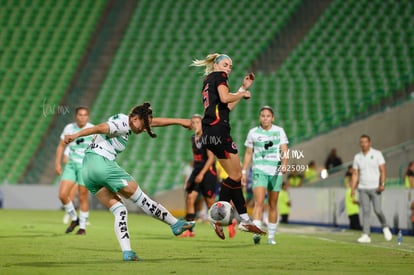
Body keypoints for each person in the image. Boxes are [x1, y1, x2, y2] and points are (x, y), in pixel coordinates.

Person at [63, 102, 195, 261]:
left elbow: (155, 122)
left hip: (88, 172)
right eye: (143, 124)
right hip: (101, 164)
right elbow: (101, 127)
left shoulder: (129, 123)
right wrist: (75, 135)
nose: (144, 128)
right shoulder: (122, 123)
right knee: (141, 198)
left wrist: (180, 122)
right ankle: (175, 224)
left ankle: (127, 252)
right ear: (134, 118)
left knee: (119, 210)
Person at [191, 53, 265, 239]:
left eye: (230, 66)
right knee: (235, 176)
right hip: (218, 132)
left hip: (211, 133)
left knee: (235, 176)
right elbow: (225, 98)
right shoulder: (219, 77)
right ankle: (220, 217)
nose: (228, 68)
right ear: (216, 65)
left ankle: (244, 220)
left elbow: (225, 107)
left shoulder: (209, 81)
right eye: (225, 64)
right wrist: (243, 93)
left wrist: (242, 88)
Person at [241, 105, 289, 245]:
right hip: (259, 171)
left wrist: (285, 164)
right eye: (263, 116)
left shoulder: (279, 131)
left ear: (272, 118)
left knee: (273, 204)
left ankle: (271, 237)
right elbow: (249, 153)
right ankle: (257, 232)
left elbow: (284, 150)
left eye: (268, 116)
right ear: (259, 118)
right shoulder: (253, 132)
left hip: (275, 172)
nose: (265, 118)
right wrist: (244, 171)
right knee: (259, 203)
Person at [55, 106, 94, 235]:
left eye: (85, 115)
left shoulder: (92, 129)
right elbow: (61, 146)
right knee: (62, 194)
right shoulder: (69, 128)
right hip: (71, 164)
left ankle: (82, 228)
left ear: (88, 116)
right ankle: (74, 218)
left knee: (83, 196)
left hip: (85, 166)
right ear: (76, 116)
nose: (82, 117)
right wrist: (57, 163)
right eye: (80, 115)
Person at [182, 114, 219, 237]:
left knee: (210, 203)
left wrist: (202, 174)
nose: (195, 125)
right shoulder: (193, 138)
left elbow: (211, 159)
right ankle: (189, 230)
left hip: (208, 171)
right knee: (190, 197)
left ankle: (226, 223)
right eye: (193, 123)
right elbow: (196, 159)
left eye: (198, 122)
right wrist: (193, 175)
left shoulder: (207, 138)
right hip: (197, 170)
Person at [351, 134, 392, 243]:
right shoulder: (357, 157)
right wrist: (353, 189)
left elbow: (383, 170)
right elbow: (355, 174)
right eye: (361, 142)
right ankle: (366, 234)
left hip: (375, 187)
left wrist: (382, 184)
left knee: (377, 210)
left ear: (370, 143)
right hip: (363, 188)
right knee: (365, 211)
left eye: (365, 142)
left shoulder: (377, 154)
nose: (363, 144)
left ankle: (385, 227)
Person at [344, 165, 361, 230]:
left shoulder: (348, 190)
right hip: (354, 211)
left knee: (352, 228)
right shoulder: (352, 191)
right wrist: (360, 203)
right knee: (357, 228)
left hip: (349, 211)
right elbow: (354, 201)